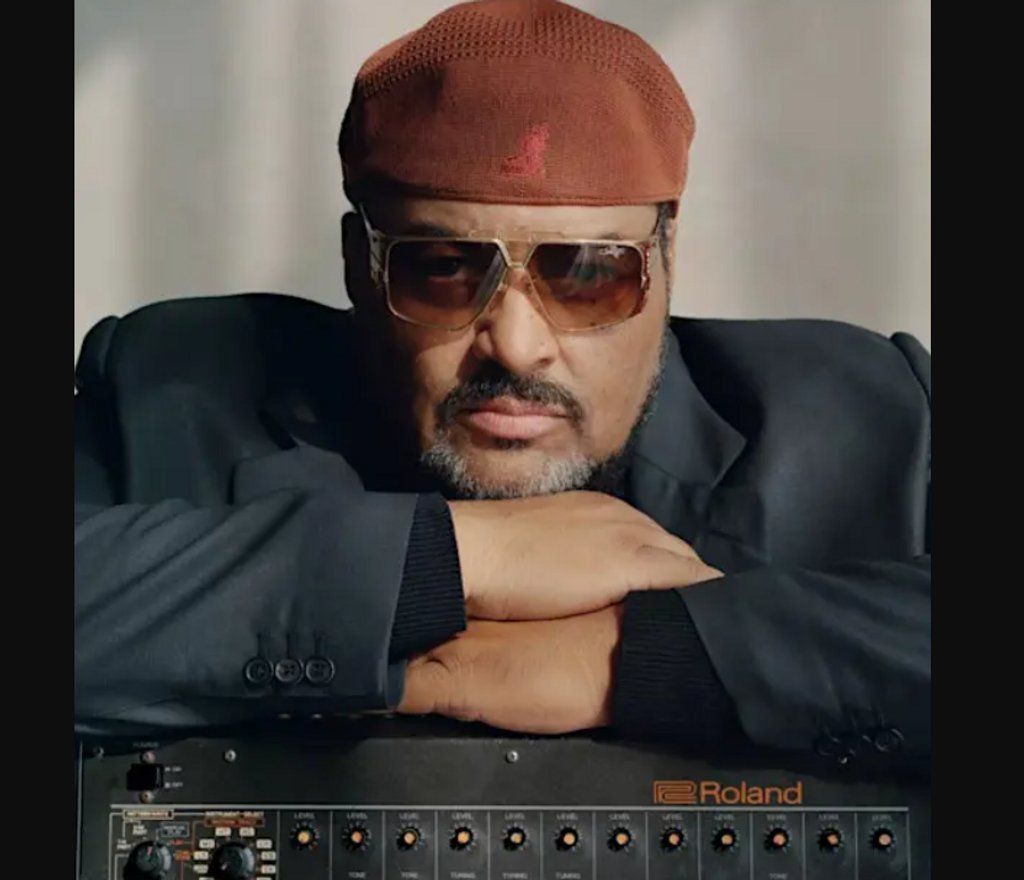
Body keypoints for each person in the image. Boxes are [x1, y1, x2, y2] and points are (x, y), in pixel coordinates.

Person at [74, 0, 929, 771]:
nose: (517, 347)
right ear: (358, 265)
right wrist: (459, 556)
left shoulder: (871, 412)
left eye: (588, 272)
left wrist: (638, 656)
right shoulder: (168, 387)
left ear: (668, 262)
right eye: (445, 268)